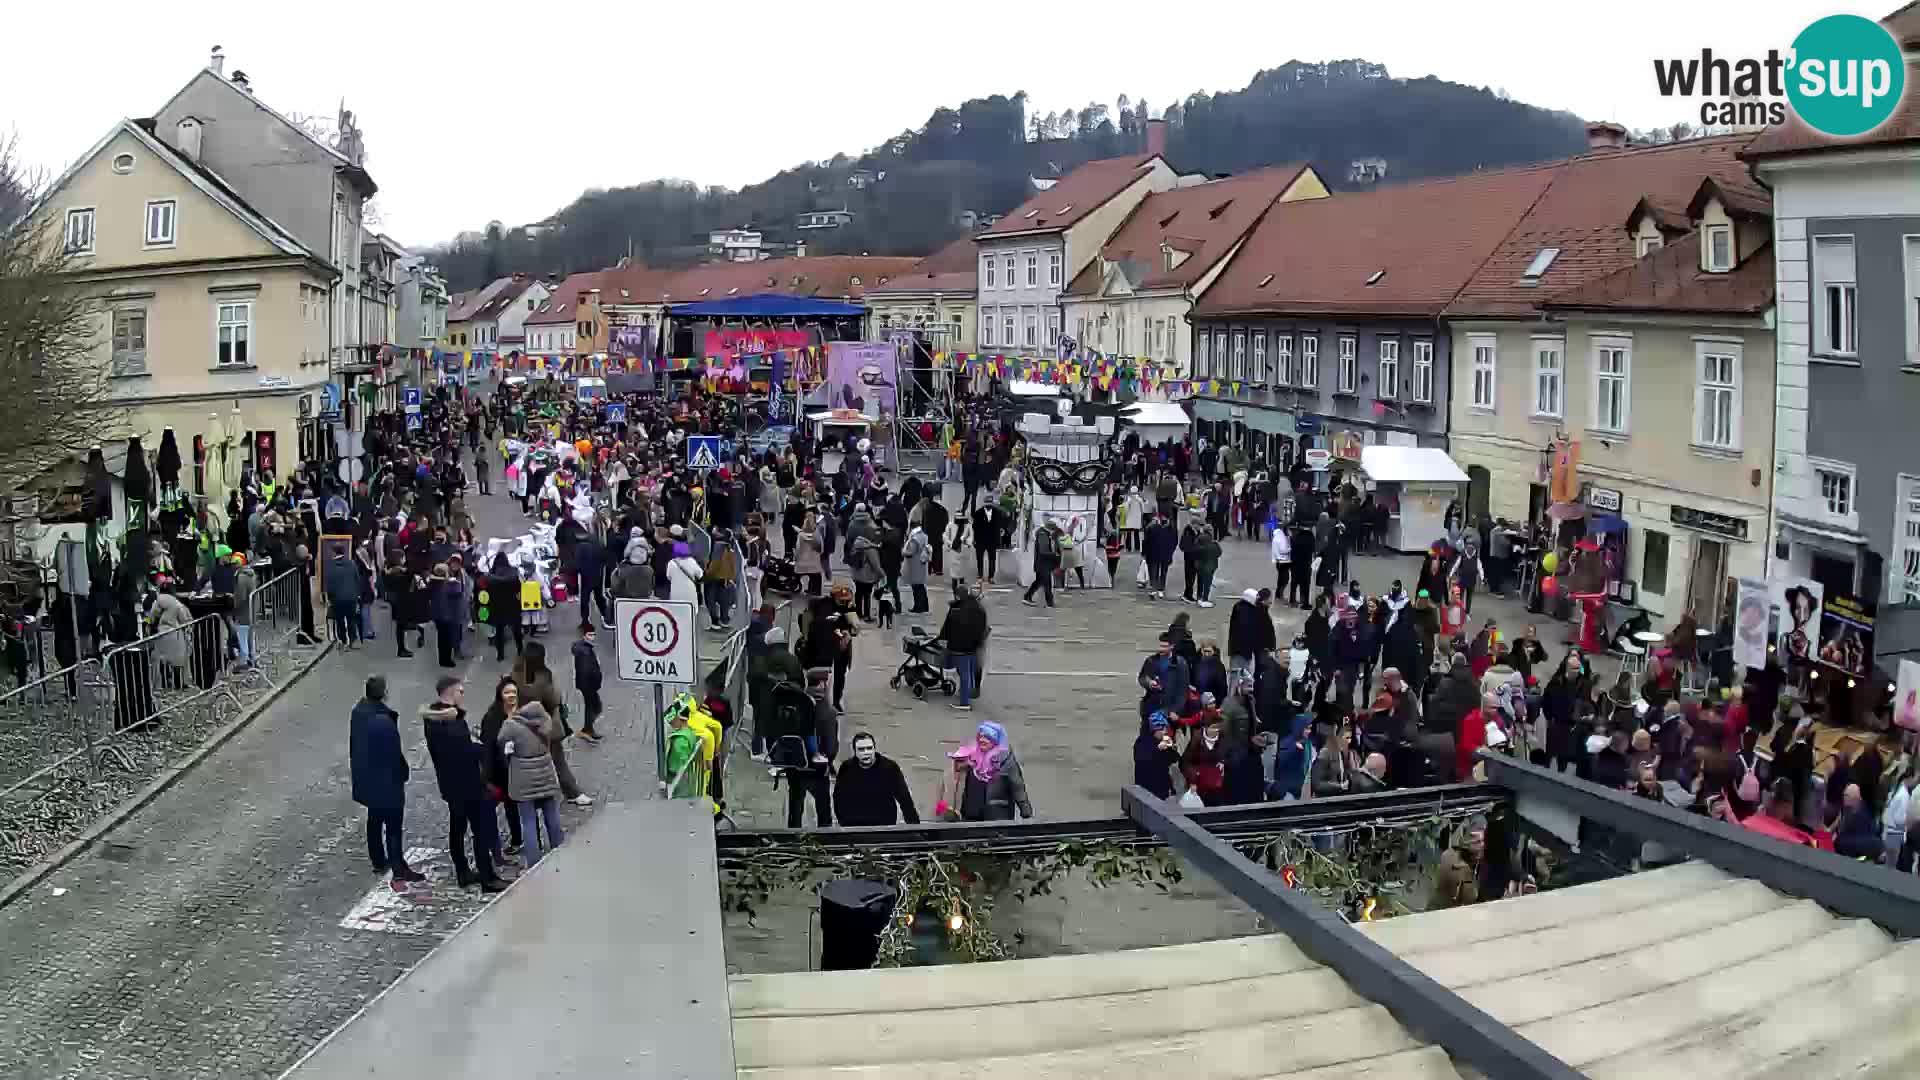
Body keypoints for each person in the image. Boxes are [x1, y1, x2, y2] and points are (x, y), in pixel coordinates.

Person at [420, 675, 507, 893]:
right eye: (460, 691)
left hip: (450, 785)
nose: (463, 695)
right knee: (480, 830)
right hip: (467, 785)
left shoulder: (434, 718)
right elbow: (464, 752)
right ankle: (487, 878)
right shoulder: (450, 722)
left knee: (457, 829)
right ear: (450, 693)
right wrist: (484, 748)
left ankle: (463, 872)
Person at [349, 676, 422, 885]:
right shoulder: (382, 720)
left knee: (374, 820)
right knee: (392, 825)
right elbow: (393, 754)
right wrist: (403, 772)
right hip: (387, 782)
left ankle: (378, 860)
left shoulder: (358, 712)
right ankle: (398, 867)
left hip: (368, 779)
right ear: (383, 692)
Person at [498, 699, 566, 868]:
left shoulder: (512, 725)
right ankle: (561, 852)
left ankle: (534, 864)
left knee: (528, 823)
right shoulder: (546, 721)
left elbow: (500, 740)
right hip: (546, 776)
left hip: (524, 780)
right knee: (552, 817)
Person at [943, 721, 1032, 821]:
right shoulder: (972, 756)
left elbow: (1018, 787)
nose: (982, 740)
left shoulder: (1006, 762)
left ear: (996, 741)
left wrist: (1025, 810)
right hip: (970, 813)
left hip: (996, 815)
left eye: (987, 738)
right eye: (980, 737)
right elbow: (957, 780)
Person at [833, 733, 920, 826]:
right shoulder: (846, 768)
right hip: (854, 824)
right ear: (855, 751)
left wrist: (914, 826)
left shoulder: (889, 767)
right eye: (861, 749)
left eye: (869, 748)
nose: (866, 752)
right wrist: (843, 822)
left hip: (883, 823)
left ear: (874, 749)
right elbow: (838, 798)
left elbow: (904, 798)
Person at [936, 581, 990, 710]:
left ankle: (964, 702)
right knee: (970, 669)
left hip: (959, 648)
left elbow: (947, 629)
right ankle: (970, 690)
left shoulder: (955, 609)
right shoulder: (979, 608)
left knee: (963, 671)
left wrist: (941, 639)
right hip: (974, 646)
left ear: (957, 596)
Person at [485, 553, 524, 661]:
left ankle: (500, 654)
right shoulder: (513, 573)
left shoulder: (491, 575)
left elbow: (487, 590)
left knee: (499, 632)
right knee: (516, 630)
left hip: (497, 606)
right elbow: (518, 588)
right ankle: (520, 649)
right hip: (512, 605)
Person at [323, 544, 361, 649]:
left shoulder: (330, 566)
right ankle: (353, 639)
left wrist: (329, 598)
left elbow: (329, 584)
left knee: (339, 620)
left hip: (337, 598)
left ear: (334, 552)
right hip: (351, 597)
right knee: (351, 619)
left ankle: (343, 640)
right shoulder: (352, 563)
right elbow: (357, 579)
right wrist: (357, 594)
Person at [571, 623, 604, 742]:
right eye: (590, 635)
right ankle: (588, 730)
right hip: (588, 685)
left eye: (594, 634)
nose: (593, 637)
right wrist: (594, 682)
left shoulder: (585, 649)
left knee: (593, 706)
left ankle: (587, 728)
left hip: (587, 685)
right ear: (584, 636)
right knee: (594, 707)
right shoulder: (585, 652)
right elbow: (587, 670)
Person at [1025, 520, 1062, 608]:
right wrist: (1055, 555)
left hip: (1043, 564)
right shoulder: (1043, 535)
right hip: (1043, 564)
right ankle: (1050, 603)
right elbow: (1043, 551)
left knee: (1039, 582)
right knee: (1047, 583)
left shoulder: (1045, 534)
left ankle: (1027, 596)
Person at [1189, 525, 1222, 608]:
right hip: (1211, 565)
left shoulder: (1199, 539)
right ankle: (1205, 599)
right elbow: (1219, 553)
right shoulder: (1213, 541)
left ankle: (1199, 597)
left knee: (1201, 581)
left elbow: (1195, 551)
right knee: (1207, 583)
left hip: (1200, 564)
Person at [902, 522, 932, 613]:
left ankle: (918, 607)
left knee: (916, 588)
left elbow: (910, 552)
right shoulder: (924, 536)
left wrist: (903, 552)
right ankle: (925, 606)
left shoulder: (915, 539)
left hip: (915, 566)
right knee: (921, 587)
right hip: (921, 564)